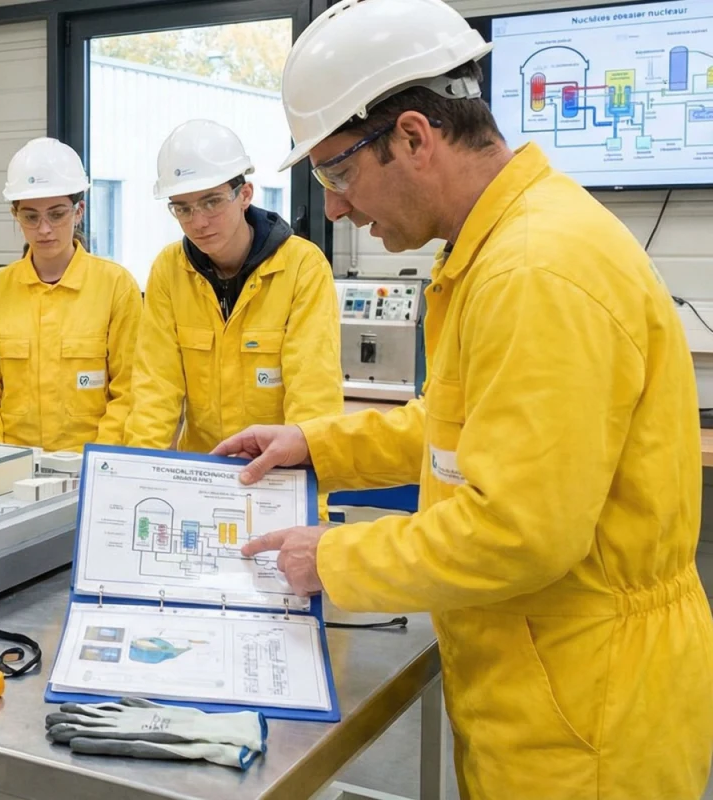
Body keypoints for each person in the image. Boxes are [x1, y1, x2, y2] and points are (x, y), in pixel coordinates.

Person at [215, 0, 713, 796]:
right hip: (540, 682)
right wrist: (318, 446)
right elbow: (460, 430)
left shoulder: (535, 271)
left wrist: (335, 558)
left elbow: (519, 532)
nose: (335, 206)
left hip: (588, 721)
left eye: (338, 172)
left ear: (414, 135)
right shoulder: (497, 250)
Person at [124, 119, 341, 458]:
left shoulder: (302, 267)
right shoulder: (169, 270)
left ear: (245, 195)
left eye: (212, 202)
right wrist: (136, 475)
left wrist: (306, 498)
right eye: (183, 208)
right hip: (201, 469)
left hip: (278, 472)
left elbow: (313, 396)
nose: (198, 221)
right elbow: (155, 389)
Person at [0, 137, 141, 451]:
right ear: (15, 216)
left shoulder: (116, 286)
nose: (44, 229)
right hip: (11, 469)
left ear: (79, 212)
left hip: (87, 468)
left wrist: (97, 461)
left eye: (57, 214)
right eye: (31, 217)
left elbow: (128, 391)